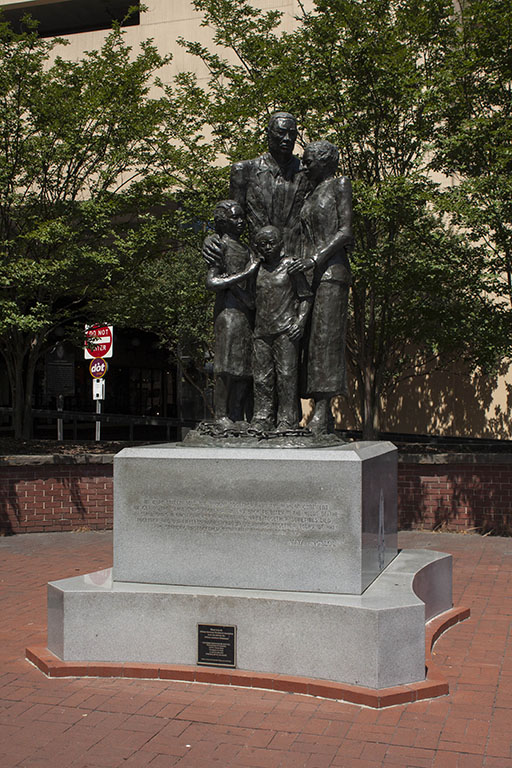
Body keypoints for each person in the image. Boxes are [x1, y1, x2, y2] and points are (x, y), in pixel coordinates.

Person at [288, 140, 353, 434]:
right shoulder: (309, 193)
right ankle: (316, 412)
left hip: (331, 274)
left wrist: (315, 258)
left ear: (325, 161)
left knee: (326, 341)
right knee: (310, 342)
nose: (304, 166)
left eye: (309, 161)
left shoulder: (340, 184)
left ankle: (324, 410)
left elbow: (345, 231)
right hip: (309, 275)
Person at [250, 226, 313, 432]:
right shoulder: (255, 269)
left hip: (285, 330)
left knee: (286, 376)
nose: (267, 247)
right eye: (262, 244)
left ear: (281, 243)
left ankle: (287, 420)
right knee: (262, 378)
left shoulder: (290, 267)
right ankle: (262, 418)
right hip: (261, 332)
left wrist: (299, 323)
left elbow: (305, 297)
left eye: (271, 242)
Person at [205, 200, 259, 428]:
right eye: (235, 218)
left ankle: (237, 415)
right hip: (227, 313)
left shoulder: (247, 250)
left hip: (246, 314)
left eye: (241, 218)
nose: (240, 222)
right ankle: (220, 415)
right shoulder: (220, 246)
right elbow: (212, 281)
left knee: (244, 368)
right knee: (225, 367)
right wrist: (244, 274)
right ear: (223, 222)